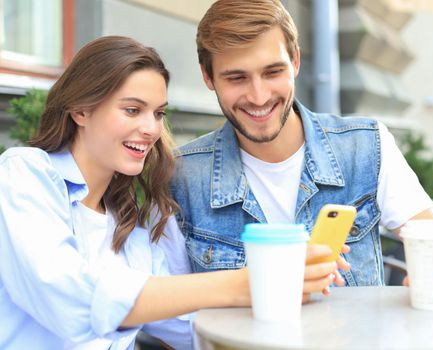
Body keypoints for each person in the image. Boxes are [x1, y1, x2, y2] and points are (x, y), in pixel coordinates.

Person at [0, 35, 343, 350]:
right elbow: (69, 300)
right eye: (132, 110)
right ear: (81, 110)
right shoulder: (26, 174)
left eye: (158, 113)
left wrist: (290, 290)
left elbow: (191, 328)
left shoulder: (133, 226)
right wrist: (251, 282)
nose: (151, 129)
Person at [162, 0, 433, 309]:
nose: (258, 96)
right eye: (236, 77)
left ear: (296, 62)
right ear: (207, 76)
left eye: (272, 72)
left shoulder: (365, 146)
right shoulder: (180, 174)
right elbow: (169, 315)